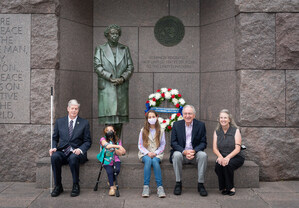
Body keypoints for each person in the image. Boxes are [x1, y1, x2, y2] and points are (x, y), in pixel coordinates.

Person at [94, 24, 134, 137]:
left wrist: (122, 78)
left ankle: (118, 145)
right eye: (112, 33)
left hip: (121, 87)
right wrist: (110, 77)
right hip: (107, 87)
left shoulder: (125, 49)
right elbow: (97, 66)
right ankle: (109, 147)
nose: (115, 36)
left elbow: (130, 67)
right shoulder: (100, 49)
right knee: (109, 119)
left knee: (119, 119)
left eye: (117, 34)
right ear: (107, 35)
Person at [49, 99, 92, 197]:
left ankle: (76, 185)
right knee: (55, 157)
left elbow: (88, 141)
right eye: (72, 108)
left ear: (78, 110)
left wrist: (80, 149)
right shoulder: (60, 122)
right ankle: (58, 186)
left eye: (76, 109)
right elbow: (55, 138)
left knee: (73, 158)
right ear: (68, 109)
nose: (74, 111)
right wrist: (54, 147)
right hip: (63, 151)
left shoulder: (84, 123)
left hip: (77, 153)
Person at [170, 105, 208, 196]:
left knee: (203, 155)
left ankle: (200, 184)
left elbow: (203, 143)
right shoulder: (176, 125)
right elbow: (173, 143)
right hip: (181, 154)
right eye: (185, 113)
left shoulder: (200, 125)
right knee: (176, 155)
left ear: (194, 115)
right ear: (182, 115)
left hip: (195, 154)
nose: (187, 116)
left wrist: (194, 151)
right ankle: (178, 183)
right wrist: (184, 151)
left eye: (190, 114)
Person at [213, 109, 245, 196]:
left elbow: (237, 149)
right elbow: (215, 148)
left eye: (225, 118)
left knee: (228, 165)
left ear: (229, 119)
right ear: (219, 119)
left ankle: (230, 187)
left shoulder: (236, 130)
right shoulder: (216, 132)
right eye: (221, 118)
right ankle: (223, 187)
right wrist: (220, 157)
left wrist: (227, 158)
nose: (223, 119)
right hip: (222, 155)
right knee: (218, 166)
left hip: (236, 156)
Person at [138, 110, 166, 198]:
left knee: (155, 161)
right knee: (149, 161)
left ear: (157, 117)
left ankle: (160, 187)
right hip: (145, 153)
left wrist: (156, 153)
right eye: (149, 117)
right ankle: (146, 187)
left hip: (157, 153)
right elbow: (140, 145)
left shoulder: (161, 130)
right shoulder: (143, 130)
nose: (151, 119)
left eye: (153, 117)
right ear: (147, 119)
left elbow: (163, 145)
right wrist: (148, 152)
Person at [100, 125, 126, 196]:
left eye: (111, 130)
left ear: (114, 132)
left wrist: (116, 150)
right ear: (105, 132)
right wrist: (118, 146)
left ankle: (111, 180)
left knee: (117, 170)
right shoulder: (103, 139)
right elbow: (107, 146)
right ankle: (111, 187)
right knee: (110, 171)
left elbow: (120, 153)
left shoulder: (118, 141)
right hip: (106, 159)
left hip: (115, 159)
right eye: (107, 130)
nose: (109, 132)